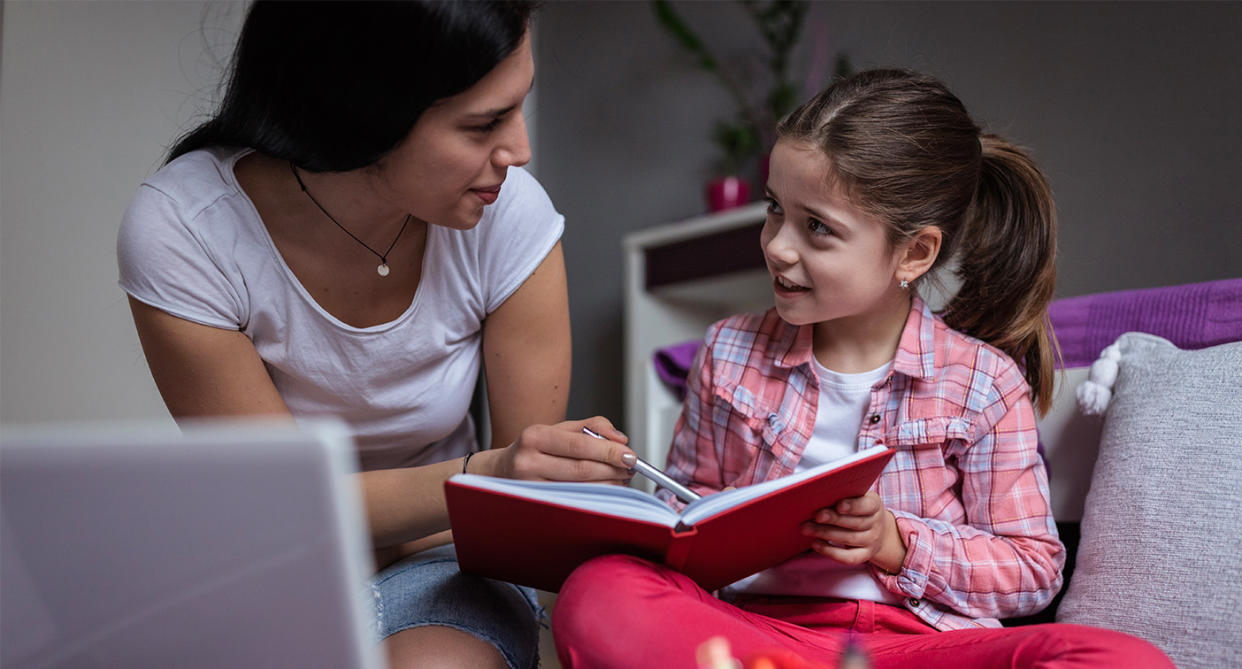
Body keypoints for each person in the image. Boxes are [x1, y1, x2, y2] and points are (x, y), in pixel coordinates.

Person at [551, 69, 1173, 668]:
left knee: (1121, 660)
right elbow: (680, 514)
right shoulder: (728, 353)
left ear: (914, 252)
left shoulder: (983, 384)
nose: (776, 246)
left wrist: (896, 544)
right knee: (599, 593)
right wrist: (669, 519)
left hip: (918, 643)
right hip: (757, 629)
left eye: (817, 227)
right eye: (774, 209)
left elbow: (1034, 570)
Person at [116, 3, 636, 669]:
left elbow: (516, 515)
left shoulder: (510, 214)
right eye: (483, 124)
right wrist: (482, 478)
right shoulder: (186, 231)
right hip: (271, 567)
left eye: (516, 108)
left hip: (449, 564)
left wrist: (500, 492)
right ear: (364, 109)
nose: (521, 150)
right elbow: (284, 508)